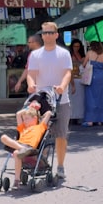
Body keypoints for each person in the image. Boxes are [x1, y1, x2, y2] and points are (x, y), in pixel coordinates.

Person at [25, 22, 73, 180]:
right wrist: (31, 84)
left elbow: (67, 73)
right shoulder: (36, 55)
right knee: (39, 133)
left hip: (61, 100)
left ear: (56, 35)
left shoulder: (63, 54)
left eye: (51, 33)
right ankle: (41, 162)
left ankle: (60, 166)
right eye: (45, 33)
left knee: (61, 135)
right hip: (41, 100)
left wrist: (62, 86)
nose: (47, 35)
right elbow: (31, 74)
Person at [0, 102, 53, 190]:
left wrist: (36, 109)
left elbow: (49, 113)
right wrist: (28, 107)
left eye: (27, 119)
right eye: (24, 119)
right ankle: (21, 148)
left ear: (35, 118)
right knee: (3, 137)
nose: (25, 121)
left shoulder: (40, 127)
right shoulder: (23, 128)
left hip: (30, 148)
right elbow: (18, 114)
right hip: (19, 145)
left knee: (17, 153)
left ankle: (17, 180)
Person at [81, 41, 103, 127]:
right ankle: (100, 120)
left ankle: (90, 120)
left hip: (91, 77)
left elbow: (84, 64)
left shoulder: (89, 53)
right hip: (101, 77)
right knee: (101, 98)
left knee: (91, 98)